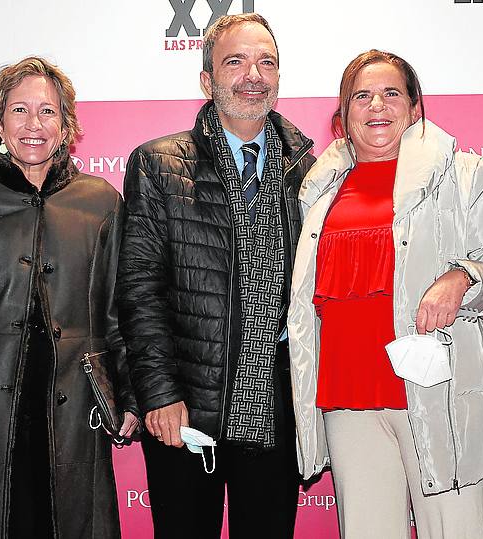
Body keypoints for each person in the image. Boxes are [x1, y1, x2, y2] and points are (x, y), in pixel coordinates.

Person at [288, 49, 483, 539]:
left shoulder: (466, 177)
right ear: (343, 117)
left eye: (392, 93)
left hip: (440, 405)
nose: (377, 105)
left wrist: (465, 279)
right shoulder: (319, 191)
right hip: (347, 404)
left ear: (415, 108)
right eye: (362, 96)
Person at [0, 56, 139, 539]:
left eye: (48, 111)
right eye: (19, 110)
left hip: (76, 405)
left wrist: (128, 395)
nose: (34, 124)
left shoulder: (101, 202)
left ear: (66, 126)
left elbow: (117, 309)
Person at [117, 13, 315, 539]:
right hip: (185, 411)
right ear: (207, 80)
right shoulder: (158, 164)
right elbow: (140, 291)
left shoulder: (311, 168)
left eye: (266, 61)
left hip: (275, 411)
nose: (253, 74)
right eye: (236, 61)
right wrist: (158, 393)